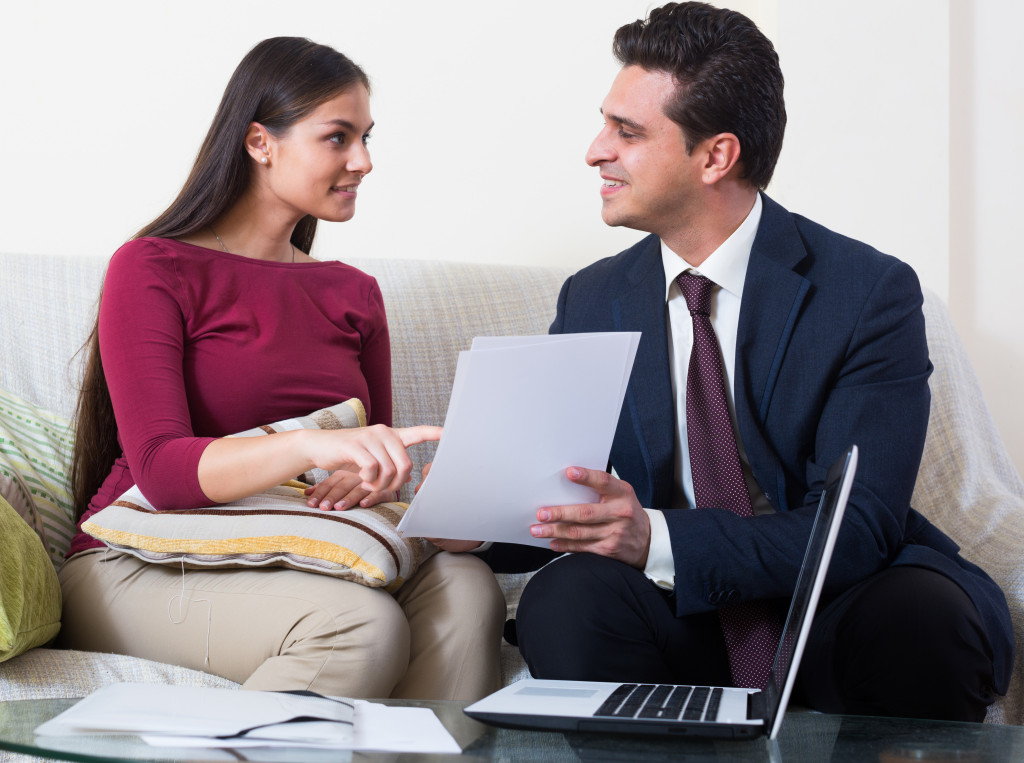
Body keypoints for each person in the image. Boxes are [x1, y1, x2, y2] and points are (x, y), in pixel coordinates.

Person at [454, 2, 1013, 721]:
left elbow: (859, 526)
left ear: (716, 156)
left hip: (835, 607)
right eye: (605, 123)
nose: (595, 150)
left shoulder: (868, 292)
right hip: (682, 615)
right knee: (568, 598)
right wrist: (476, 518)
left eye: (626, 132)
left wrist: (655, 535)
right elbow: (565, 496)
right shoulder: (593, 298)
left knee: (923, 613)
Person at [58, 37, 505, 701]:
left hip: (292, 545)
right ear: (260, 142)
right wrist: (307, 443)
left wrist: (408, 492)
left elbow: (365, 475)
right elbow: (161, 469)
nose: (364, 161)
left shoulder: (353, 293)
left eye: (367, 137)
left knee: (468, 586)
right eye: (338, 137)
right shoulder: (153, 266)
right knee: (359, 624)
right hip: (140, 557)